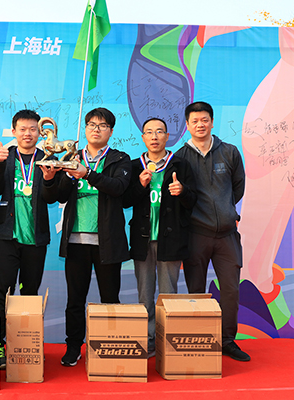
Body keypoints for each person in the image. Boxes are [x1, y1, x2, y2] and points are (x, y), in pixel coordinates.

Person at [47, 107, 131, 367]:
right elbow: (58, 196)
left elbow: (118, 188)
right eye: (92, 124)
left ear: (111, 131)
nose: (96, 129)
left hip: (108, 242)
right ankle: (73, 347)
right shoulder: (72, 155)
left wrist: (88, 174)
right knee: (75, 300)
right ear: (85, 129)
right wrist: (56, 176)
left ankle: (109, 345)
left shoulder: (120, 159)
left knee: (110, 299)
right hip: (76, 242)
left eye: (102, 125)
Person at [175, 101, 249, 361]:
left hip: (227, 235)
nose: (200, 125)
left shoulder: (229, 152)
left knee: (230, 290)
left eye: (204, 120)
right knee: (195, 291)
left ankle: (227, 341)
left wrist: (226, 211)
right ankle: (200, 339)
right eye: (195, 121)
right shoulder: (180, 157)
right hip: (196, 234)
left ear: (212, 122)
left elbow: (238, 187)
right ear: (187, 125)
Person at [0, 109, 58, 368]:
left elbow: (52, 198)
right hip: (7, 236)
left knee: (29, 294)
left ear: (40, 133)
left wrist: (49, 180)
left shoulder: (47, 158)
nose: (28, 134)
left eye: (32, 129)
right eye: (22, 129)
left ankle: (26, 345)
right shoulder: (5, 157)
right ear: (14, 131)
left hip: (35, 239)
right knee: (1, 292)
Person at [123, 117, 197, 356]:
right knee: (144, 295)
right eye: (149, 132)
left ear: (167, 136)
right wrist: (140, 185)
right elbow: (124, 201)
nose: (154, 137)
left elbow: (193, 200)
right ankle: (148, 339)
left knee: (168, 294)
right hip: (142, 239)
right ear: (143, 137)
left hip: (170, 239)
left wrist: (182, 191)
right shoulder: (134, 166)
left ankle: (167, 340)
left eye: (159, 132)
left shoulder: (181, 165)